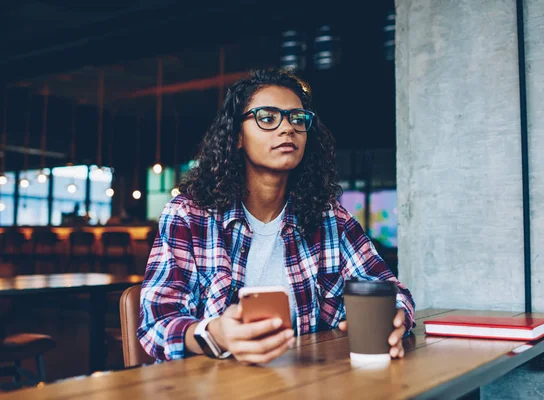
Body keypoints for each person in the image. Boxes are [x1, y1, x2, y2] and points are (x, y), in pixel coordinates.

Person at [138, 68, 415, 364]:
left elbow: (388, 289)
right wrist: (214, 334)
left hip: (307, 383)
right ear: (237, 137)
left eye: (297, 119)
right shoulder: (189, 214)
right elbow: (157, 321)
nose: (288, 129)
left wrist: (393, 317)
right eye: (267, 118)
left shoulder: (329, 217)